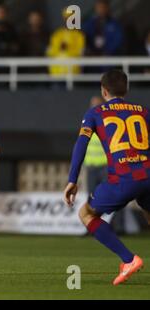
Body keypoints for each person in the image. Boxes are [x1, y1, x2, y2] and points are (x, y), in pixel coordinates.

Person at [64, 70, 150, 285]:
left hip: (123, 178)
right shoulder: (144, 112)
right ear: (126, 89)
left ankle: (128, 259)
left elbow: (80, 145)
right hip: (147, 175)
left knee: (86, 214)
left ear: (103, 91)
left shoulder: (95, 113)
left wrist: (72, 179)